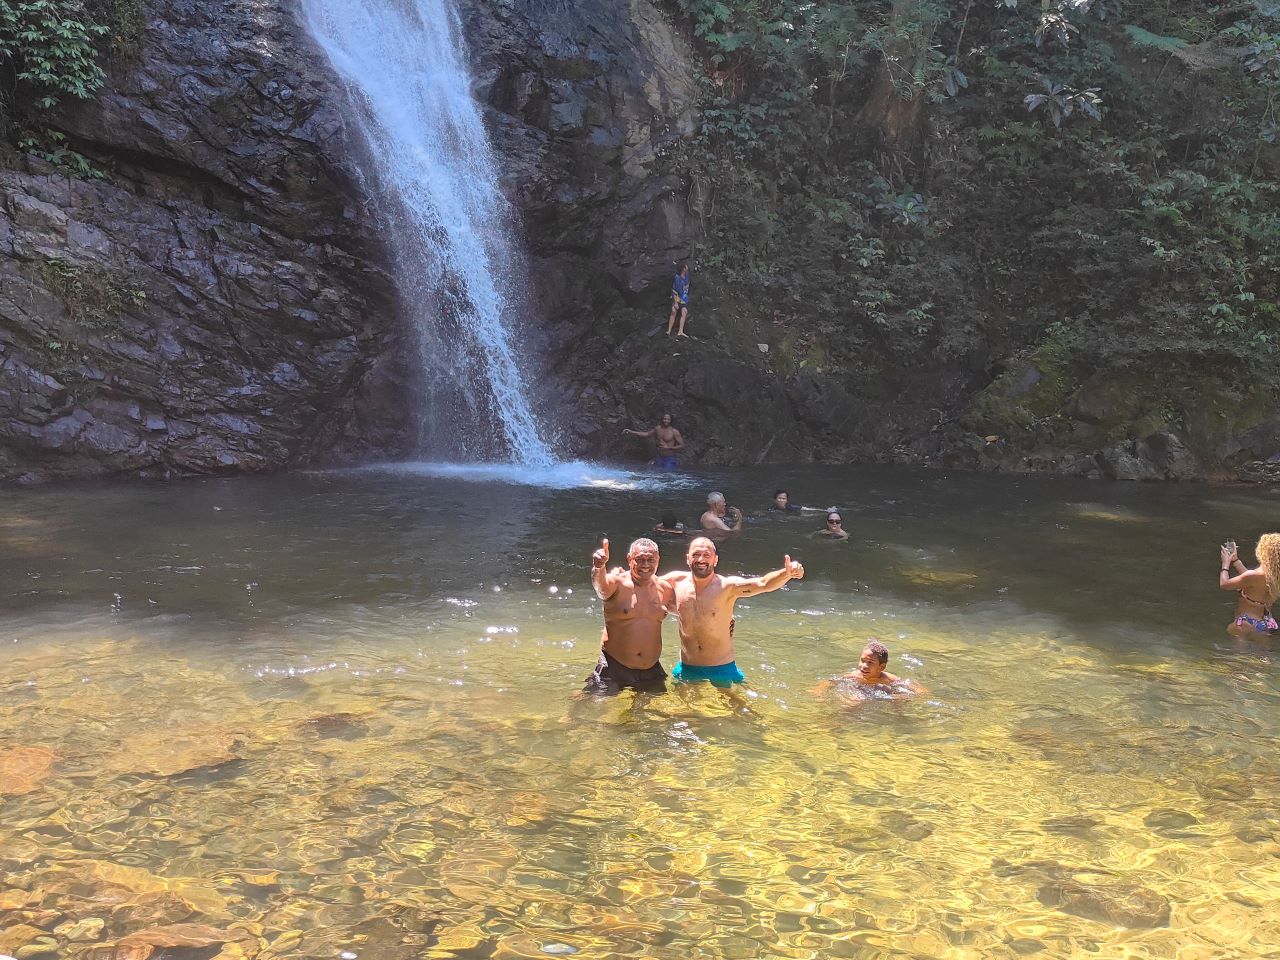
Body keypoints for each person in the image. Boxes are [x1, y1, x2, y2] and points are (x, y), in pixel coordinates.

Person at [661, 536, 803, 686]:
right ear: (688, 558)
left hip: (722, 667)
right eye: (696, 554)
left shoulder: (727, 587)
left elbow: (763, 583)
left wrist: (787, 573)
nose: (701, 559)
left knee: (736, 708)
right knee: (682, 709)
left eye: (706, 555)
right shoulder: (675, 582)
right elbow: (645, 585)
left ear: (715, 560)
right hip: (687, 667)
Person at [585, 537, 674, 695]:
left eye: (650, 560)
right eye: (639, 560)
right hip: (614, 666)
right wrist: (599, 567)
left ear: (658, 559)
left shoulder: (664, 589)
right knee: (590, 709)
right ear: (629, 559)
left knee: (650, 717)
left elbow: (687, 610)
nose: (645, 565)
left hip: (650, 670)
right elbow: (601, 588)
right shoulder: (618, 583)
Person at [815, 641, 926, 699]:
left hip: (882, 694)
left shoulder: (888, 679)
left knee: (898, 699)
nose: (864, 666)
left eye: (870, 663)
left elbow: (915, 688)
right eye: (862, 660)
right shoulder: (855, 676)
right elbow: (831, 681)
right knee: (854, 701)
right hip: (861, 692)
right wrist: (819, 690)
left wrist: (917, 694)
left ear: (881, 667)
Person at [1219, 534, 1280, 633]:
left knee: (1237, 648)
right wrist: (1235, 560)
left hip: (1245, 622)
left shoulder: (1254, 576)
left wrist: (1225, 564)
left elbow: (1224, 584)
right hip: (1265, 623)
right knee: (1264, 649)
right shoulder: (1274, 578)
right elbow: (1251, 579)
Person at [666, 263, 690, 338]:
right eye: (686, 266)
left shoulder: (687, 275)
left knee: (684, 312)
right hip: (677, 297)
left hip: (684, 297)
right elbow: (674, 291)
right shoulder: (677, 278)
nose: (687, 267)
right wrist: (676, 302)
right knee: (674, 311)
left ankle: (680, 331)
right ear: (683, 269)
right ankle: (669, 330)